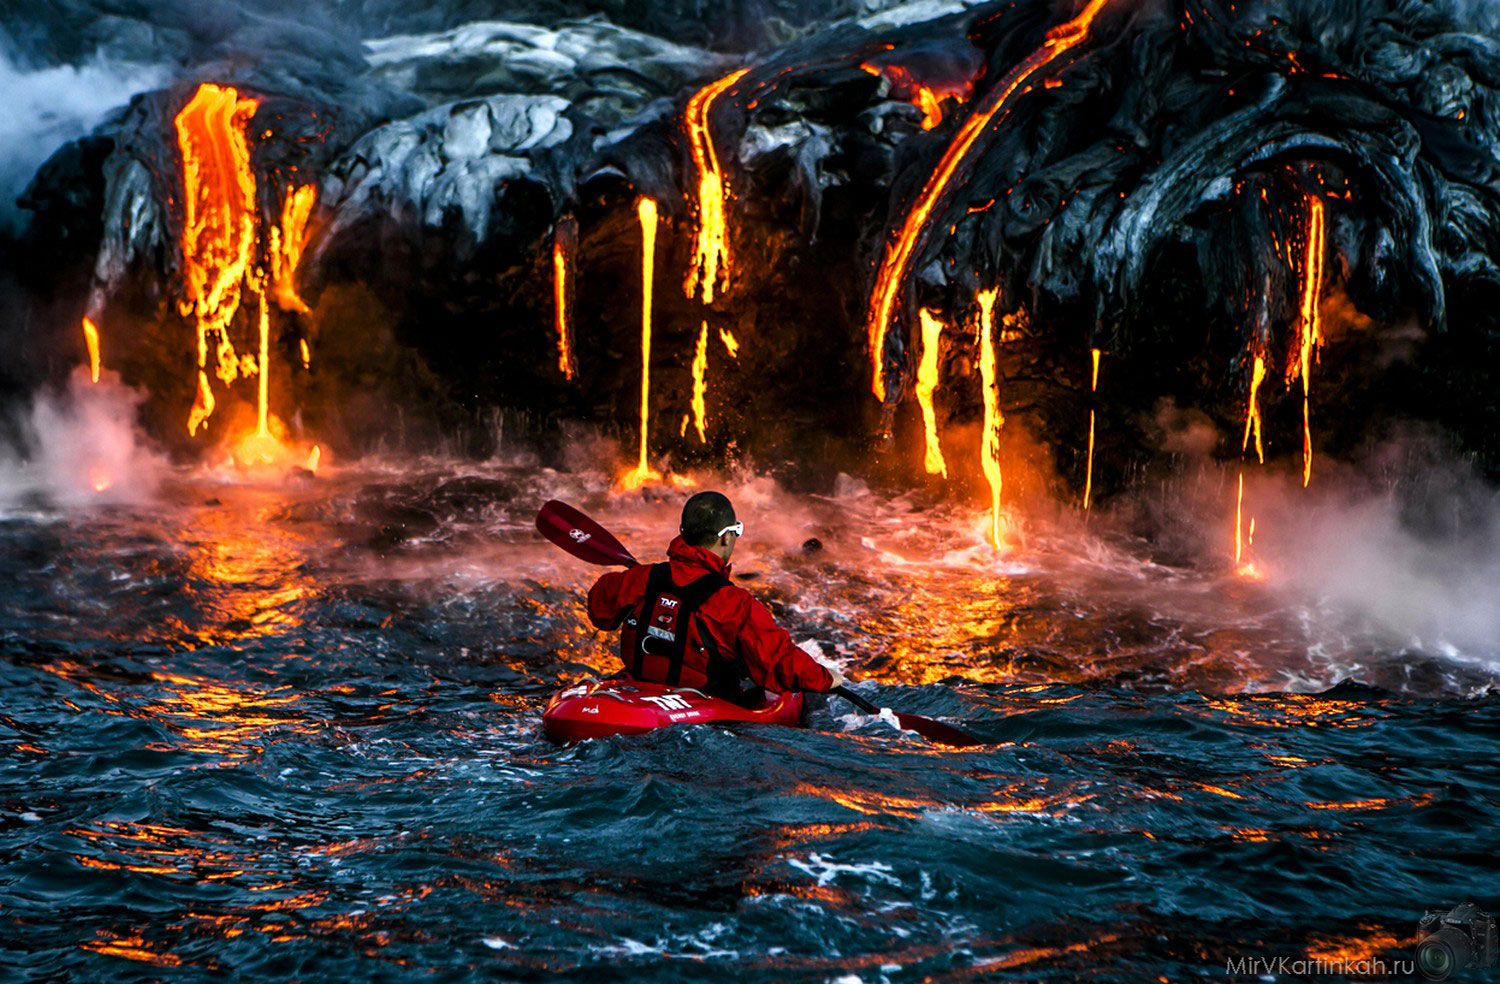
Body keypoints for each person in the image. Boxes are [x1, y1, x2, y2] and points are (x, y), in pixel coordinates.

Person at [587, 491, 845, 703]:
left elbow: (599, 610)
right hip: (700, 712)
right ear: (725, 537)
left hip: (634, 698)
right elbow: (778, 659)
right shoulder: (734, 604)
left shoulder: (640, 579)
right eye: (736, 531)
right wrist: (825, 677)